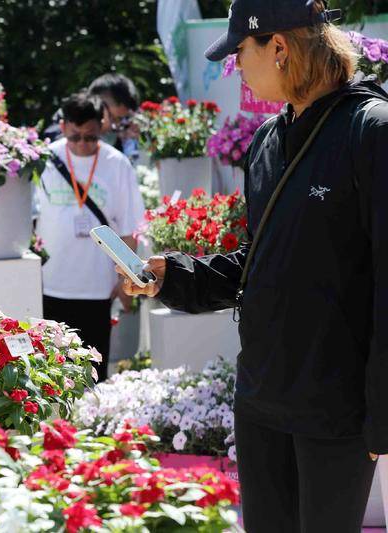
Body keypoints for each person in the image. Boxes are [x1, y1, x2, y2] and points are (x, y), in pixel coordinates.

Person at [119, 1, 386, 531]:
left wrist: (381, 418)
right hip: (262, 397)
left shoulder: (372, 130)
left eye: (241, 50)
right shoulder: (265, 140)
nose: (236, 65)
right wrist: (171, 277)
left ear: (279, 48)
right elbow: (257, 262)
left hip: (336, 409)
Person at [36, 91, 145, 382]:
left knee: (93, 374)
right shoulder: (43, 160)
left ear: (102, 127)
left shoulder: (118, 164)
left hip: (98, 286)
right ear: (62, 128)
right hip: (51, 283)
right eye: (75, 137)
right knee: (53, 374)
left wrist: (126, 280)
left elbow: (130, 228)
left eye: (91, 137)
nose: (82, 145)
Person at [88, 73, 141, 161]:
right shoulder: (70, 129)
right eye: (115, 119)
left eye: (124, 120)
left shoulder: (117, 139)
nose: (117, 126)